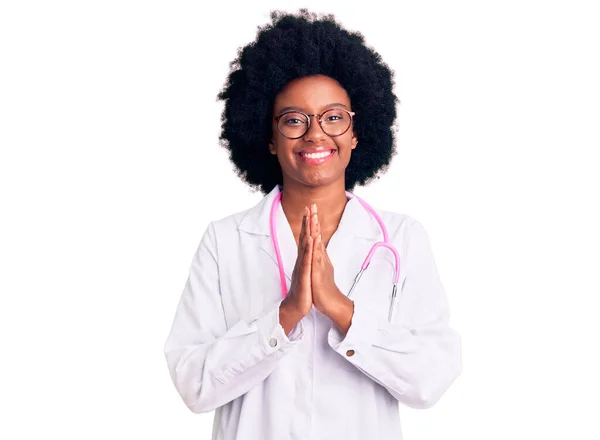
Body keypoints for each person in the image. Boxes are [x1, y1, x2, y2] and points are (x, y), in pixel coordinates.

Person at [163, 9, 462, 440]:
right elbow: (193, 384)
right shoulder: (225, 241)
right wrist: (284, 317)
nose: (316, 134)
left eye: (334, 116)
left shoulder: (401, 238)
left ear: (358, 132)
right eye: (294, 119)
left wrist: (340, 307)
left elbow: (430, 379)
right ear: (268, 137)